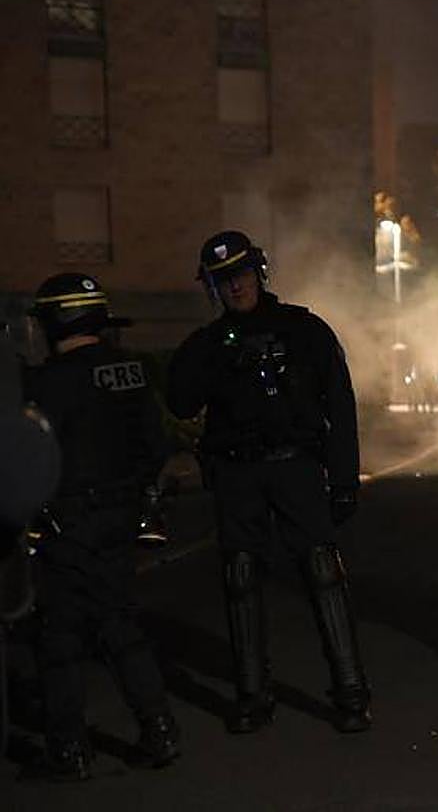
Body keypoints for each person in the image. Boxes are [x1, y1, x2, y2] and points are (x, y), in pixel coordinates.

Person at [167, 230, 369, 734]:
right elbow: (180, 402)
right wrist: (215, 361)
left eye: (238, 275)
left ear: (258, 272)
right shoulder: (209, 344)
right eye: (221, 281)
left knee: (323, 571)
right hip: (237, 472)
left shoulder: (303, 330)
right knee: (239, 577)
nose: (234, 288)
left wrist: (344, 480)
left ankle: (350, 692)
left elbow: (340, 407)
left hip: (295, 466)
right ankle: (253, 696)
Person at [22, 273, 179, 780]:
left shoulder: (46, 383)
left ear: (54, 321)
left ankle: (69, 750)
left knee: (60, 636)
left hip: (68, 523)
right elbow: (157, 446)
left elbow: (30, 459)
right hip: (121, 519)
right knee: (119, 622)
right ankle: (159, 730)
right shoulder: (131, 371)